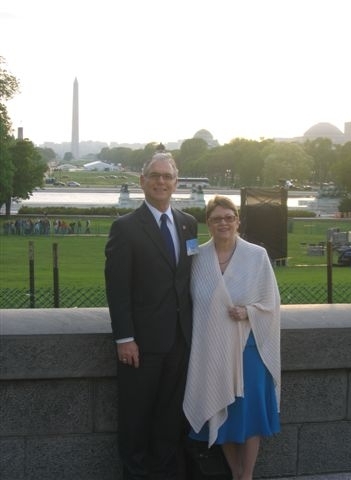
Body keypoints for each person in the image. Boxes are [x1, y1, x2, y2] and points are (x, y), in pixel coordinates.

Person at [104, 148, 198, 480]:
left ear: (176, 183)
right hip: (141, 344)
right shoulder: (125, 228)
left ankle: (165, 472)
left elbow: (189, 279)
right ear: (142, 181)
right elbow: (117, 288)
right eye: (155, 176)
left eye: (167, 176)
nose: (161, 182)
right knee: (136, 417)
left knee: (169, 416)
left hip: (180, 340)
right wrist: (125, 337)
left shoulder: (188, 224)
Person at [183, 195, 281, 480]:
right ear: (208, 224)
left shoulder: (256, 255)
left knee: (248, 415)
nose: (223, 223)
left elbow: (271, 303)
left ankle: (245, 475)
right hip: (212, 349)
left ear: (238, 221)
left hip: (249, 349)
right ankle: (235, 472)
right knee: (221, 408)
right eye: (216, 219)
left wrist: (249, 311)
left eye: (229, 218)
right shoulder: (197, 258)